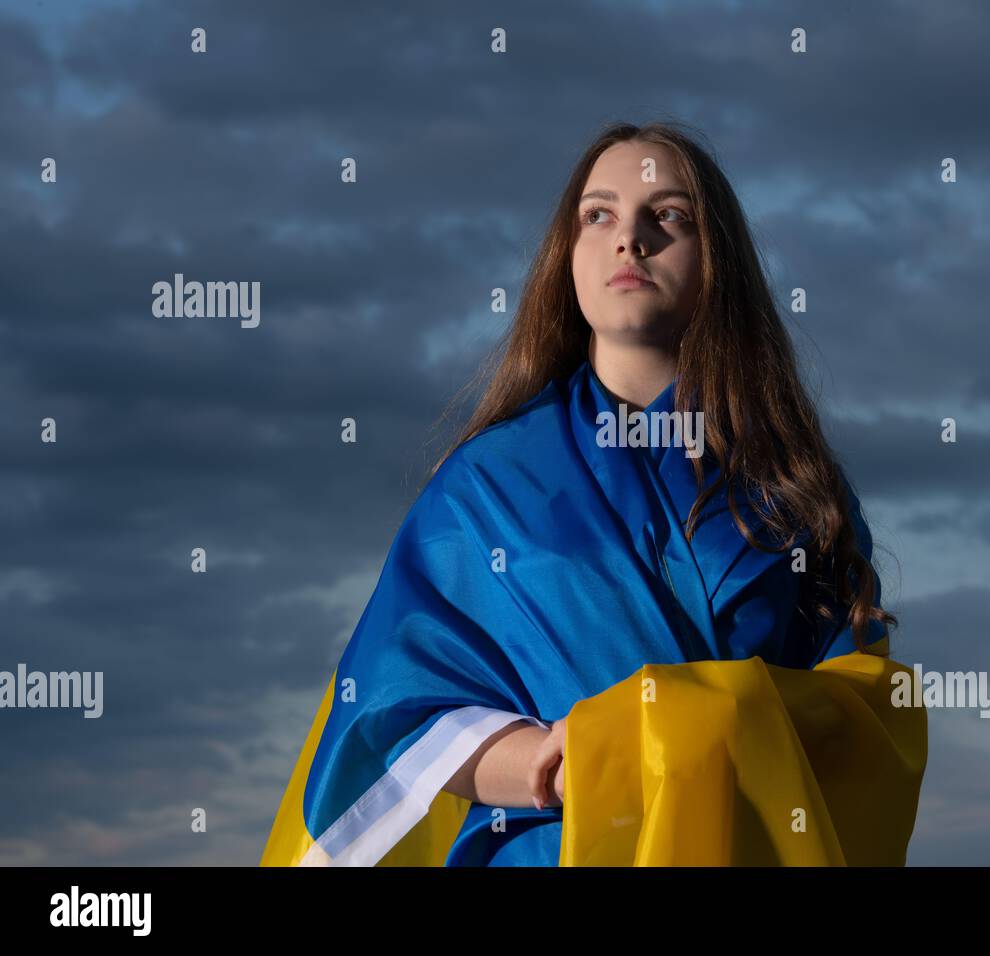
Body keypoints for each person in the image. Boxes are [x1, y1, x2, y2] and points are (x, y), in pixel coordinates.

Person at [261, 121, 914, 867]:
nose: (629, 239)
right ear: (566, 259)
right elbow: (393, 712)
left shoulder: (796, 490)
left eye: (668, 215)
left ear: (718, 258)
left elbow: (866, 712)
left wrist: (673, 722)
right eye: (598, 215)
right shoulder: (486, 484)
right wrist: (556, 764)